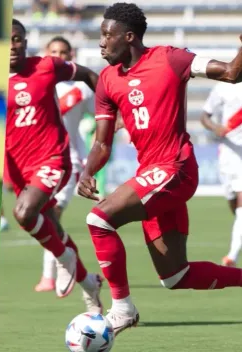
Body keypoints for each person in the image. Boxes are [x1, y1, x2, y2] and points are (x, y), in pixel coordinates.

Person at [78, 2, 242, 336]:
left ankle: (122, 309)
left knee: (99, 219)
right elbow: (103, 143)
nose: (101, 43)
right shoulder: (108, 81)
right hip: (151, 176)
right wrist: (87, 170)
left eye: (107, 36)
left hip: (177, 168)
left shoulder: (170, 58)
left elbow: (230, 73)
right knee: (175, 277)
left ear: (129, 36)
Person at [7, 18, 102, 312]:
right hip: (18, 170)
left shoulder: (45, 67)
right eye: (7, 39)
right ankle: (90, 288)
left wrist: (110, 110)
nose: (13, 45)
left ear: (25, 41)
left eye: (18, 38)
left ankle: (64, 260)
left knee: (24, 213)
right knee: (52, 228)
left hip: (53, 159)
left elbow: (87, 74)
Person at [34, 36, 96, 294]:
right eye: (54, 52)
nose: (59, 56)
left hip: (68, 159)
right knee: (40, 215)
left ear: (71, 55)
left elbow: (102, 114)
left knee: (53, 213)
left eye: (64, 52)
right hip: (38, 159)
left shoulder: (81, 90)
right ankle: (62, 263)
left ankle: (51, 273)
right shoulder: (38, 84)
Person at [201, 82, 242, 267]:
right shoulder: (223, 87)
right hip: (228, 154)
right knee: (234, 205)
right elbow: (204, 116)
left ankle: (232, 256)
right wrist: (215, 127)